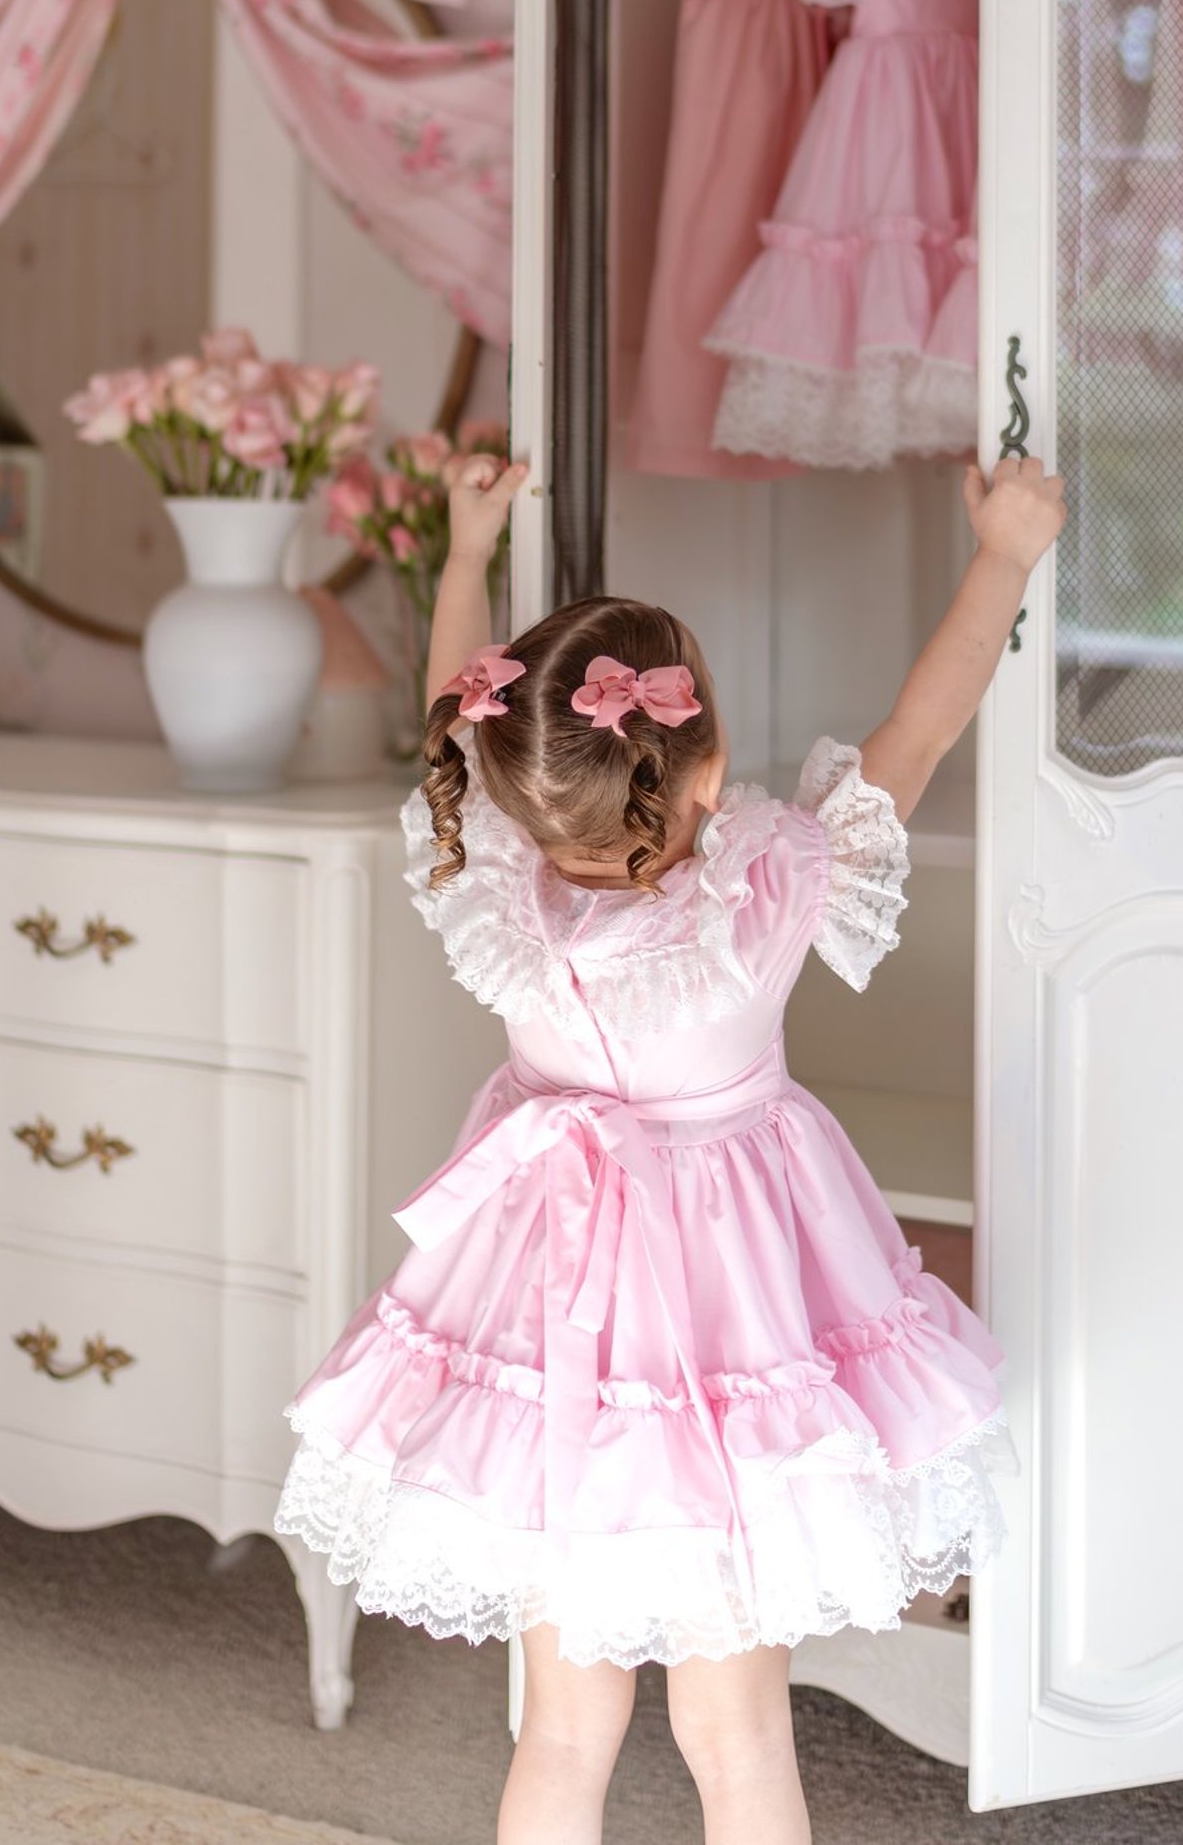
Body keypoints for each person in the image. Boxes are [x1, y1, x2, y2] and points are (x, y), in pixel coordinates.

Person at [276, 445, 1066, 1845]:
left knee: (565, 1731)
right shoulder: (765, 881)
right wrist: (1003, 554)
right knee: (739, 1735)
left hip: (547, 1305)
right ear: (701, 768)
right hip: (732, 1306)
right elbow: (921, 736)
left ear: (520, 778)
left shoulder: (492, 869)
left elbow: (451, 723)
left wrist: (467, 551)